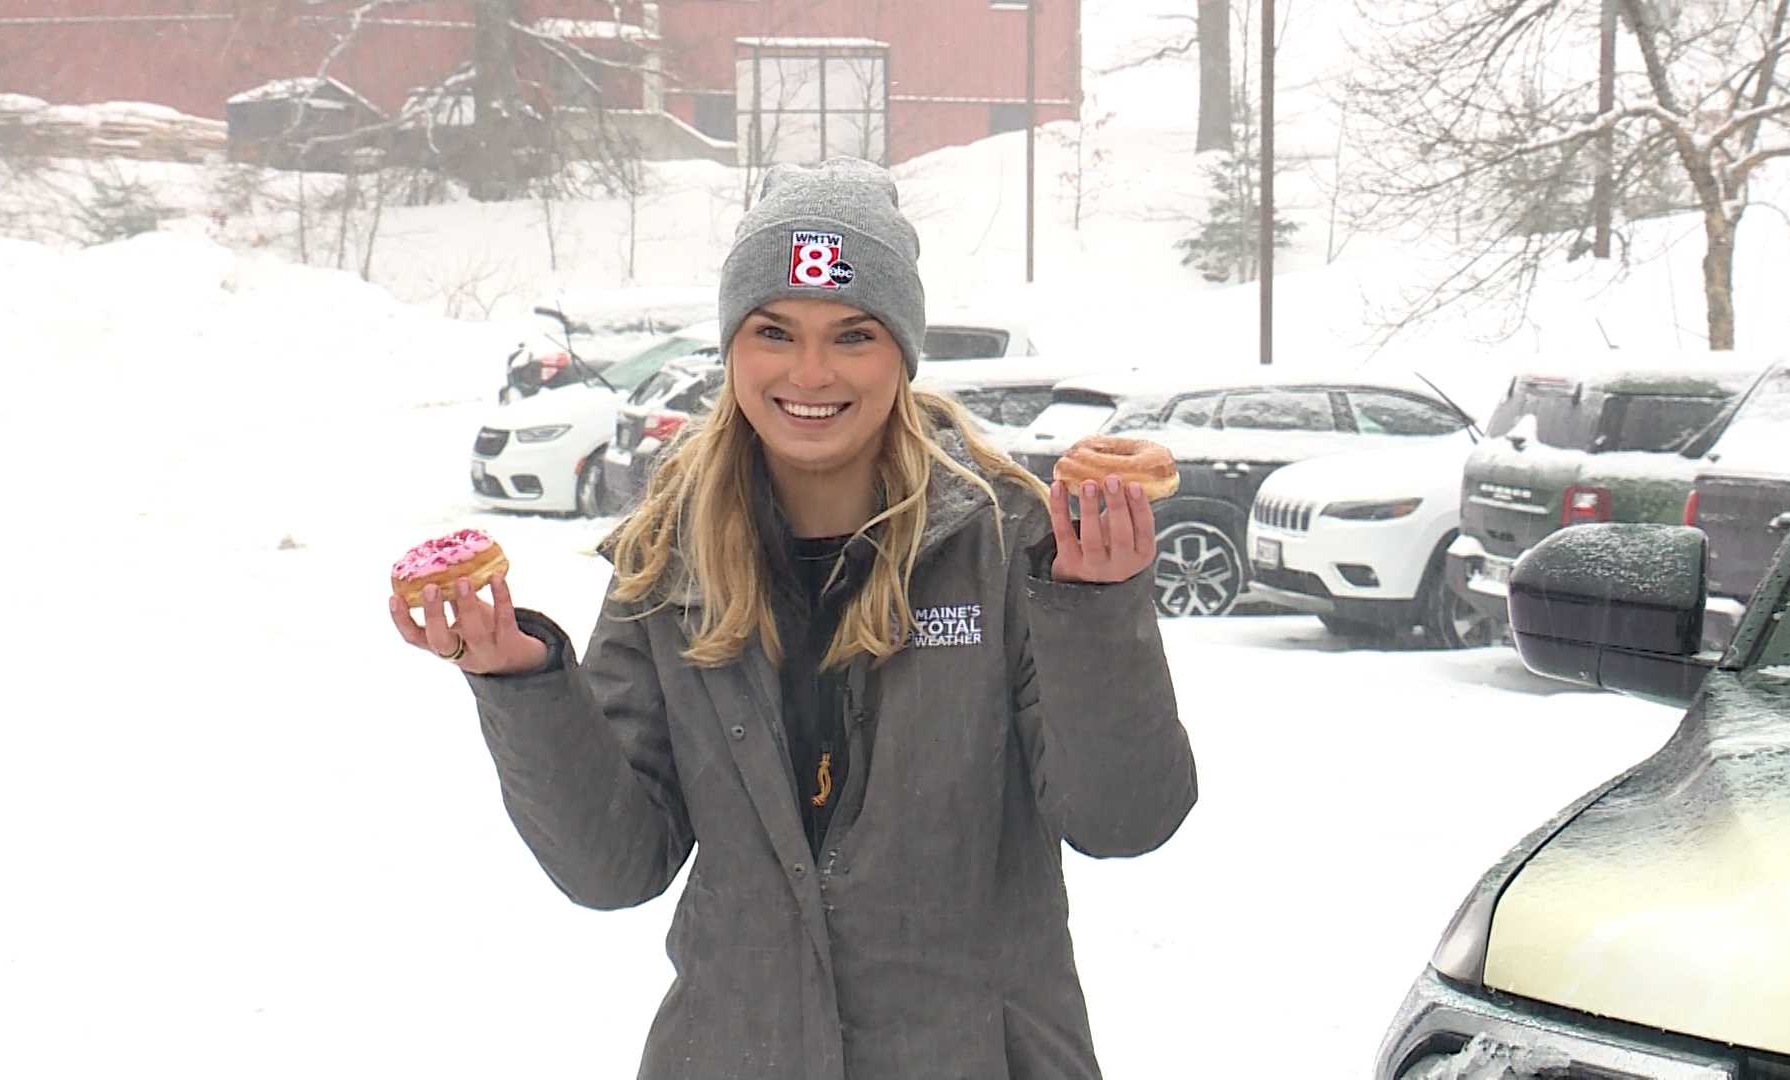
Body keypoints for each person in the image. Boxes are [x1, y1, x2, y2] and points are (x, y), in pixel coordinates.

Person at [388, 157, 1197, 1080]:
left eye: (854, 335)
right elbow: (616, 865)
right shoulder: (667, 560)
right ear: (733, 346)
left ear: (902, 351)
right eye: (775, 331)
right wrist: (519, 681)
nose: (810, 372)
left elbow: (1124, 820)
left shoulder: (1006, 542)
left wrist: (1096, 614)